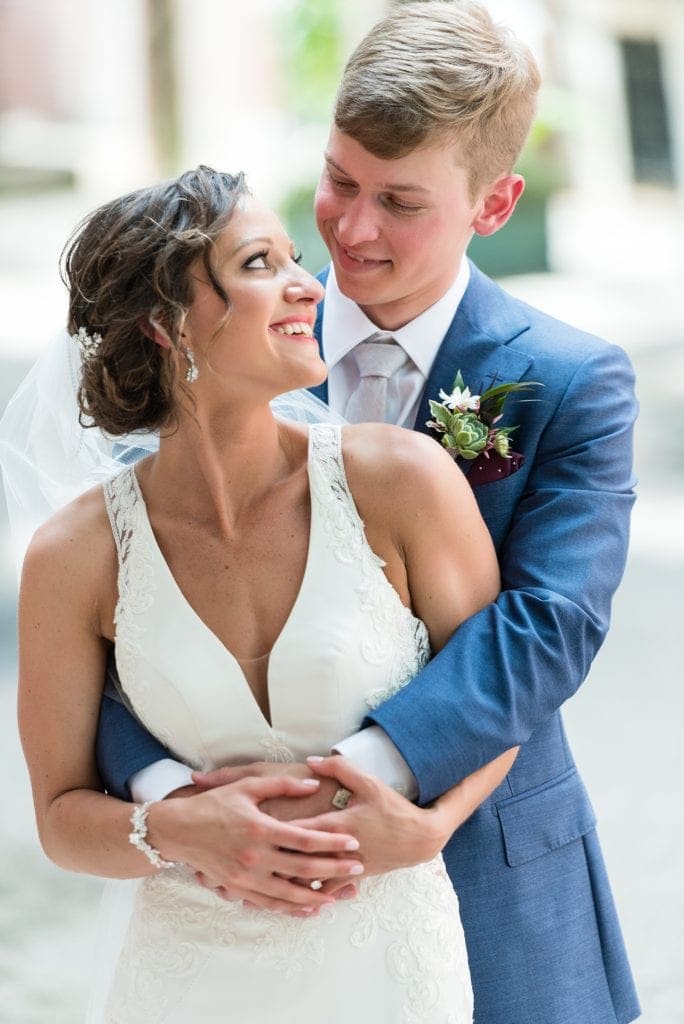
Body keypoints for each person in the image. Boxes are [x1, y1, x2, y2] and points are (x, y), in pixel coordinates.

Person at [92, 3, 641, 1023]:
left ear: (496, 203)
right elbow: (128, 605)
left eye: (400, 200)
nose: (350, 227)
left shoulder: (571, 383)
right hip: (240, 896)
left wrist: (370, 775)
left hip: (492, 877)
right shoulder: (220, 344)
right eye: (339, 180)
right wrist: (175, 790)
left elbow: (549, 625)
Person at [14, 164, 522, 1022]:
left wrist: (434, 825)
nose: (306, 285)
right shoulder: (74, 555)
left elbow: (498, 698)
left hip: (388, 967)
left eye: (295, 257)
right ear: (167, 324)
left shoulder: (399, 482)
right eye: (259, 264)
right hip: (185, 973)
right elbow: (62, 817)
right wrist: (170, 831)